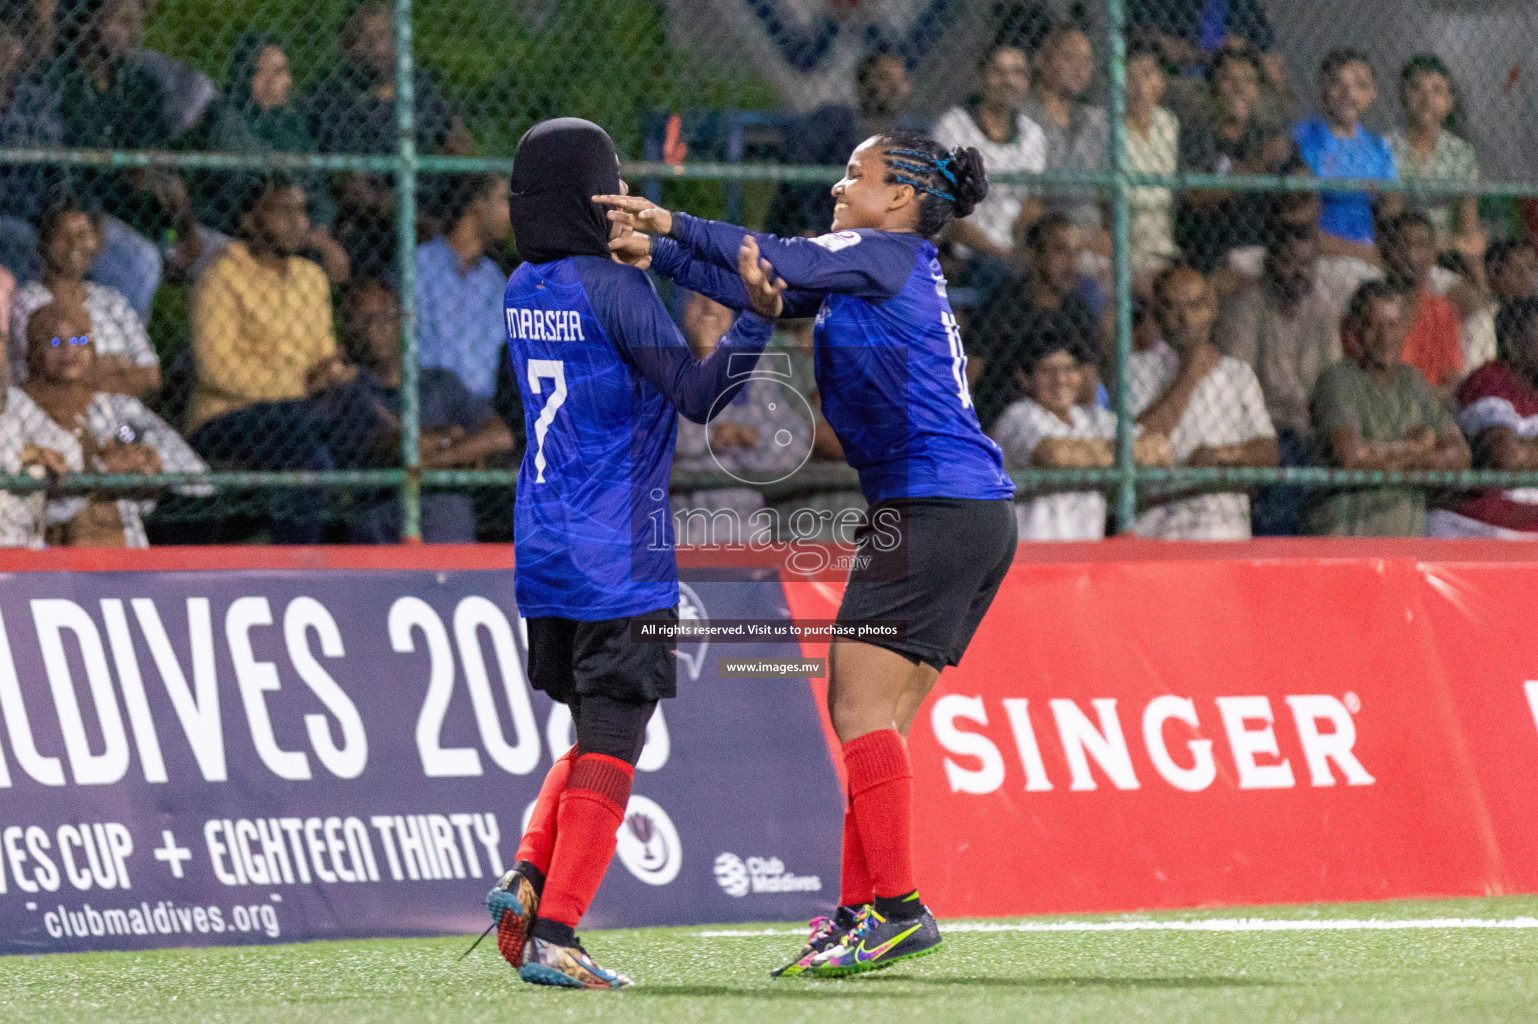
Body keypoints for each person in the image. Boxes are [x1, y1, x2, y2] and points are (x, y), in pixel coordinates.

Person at [599, 131, 1015, 978]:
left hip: (934, 507)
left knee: (859, 715)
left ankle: (896, 909)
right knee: (879, 725)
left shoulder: (878, 251)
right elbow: (761, 285)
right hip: (966, 512)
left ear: (898, 197)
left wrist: (669, 218)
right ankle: (865, 910)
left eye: (855, 173)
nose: (837, 182)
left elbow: (777, 256)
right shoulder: (875, 269)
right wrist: (663, 251)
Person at [482, 119, 781, 990]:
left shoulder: (521, 284)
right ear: (591, 194)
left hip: (545, 547)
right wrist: (755, 323)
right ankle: (558, 930)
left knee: (590, 728)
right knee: (616, 738)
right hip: (619, 551)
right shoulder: (612, 289)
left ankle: (529, 873)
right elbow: (697, 395)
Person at [187, 173, 350, 544]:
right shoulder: (219, 276)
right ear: (249, 219)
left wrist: (335, 373)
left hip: (302, 414)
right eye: (283, 211)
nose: (299, 222)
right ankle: (297, 564)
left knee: (340, 417)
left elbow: (323, 354)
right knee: (319, 433)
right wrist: (301, 385)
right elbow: (216, 371)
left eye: (303, 211)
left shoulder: (312, 277)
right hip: (227, 417)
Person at [327, 279, 512, 543]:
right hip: (382, 516)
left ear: (402, 320)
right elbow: (399, 446)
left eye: (385, 317)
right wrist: (455, 441)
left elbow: (499, 436)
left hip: (445, 515)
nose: (376, 328)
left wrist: (429, 461)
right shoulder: (353, 389)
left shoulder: (439, 381)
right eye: (365, 320)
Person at [22, 301, 207, 547]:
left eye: (80, 340)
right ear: (34, 350)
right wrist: (99, 470)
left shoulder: (112, 406)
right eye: (55, 342)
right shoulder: (22, 407)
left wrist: (143, 460)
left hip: (122, 527)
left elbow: (177, 460)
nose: (69, 350)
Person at [1309, 281, 1469, 536]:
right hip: (1348, 539)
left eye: (1393, 325)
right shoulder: (1337, 379)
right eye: (1373, 325)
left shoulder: (1414, 382)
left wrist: (1383, 454)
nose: (1384, 337)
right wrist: (1415, 449)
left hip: (1405, 542)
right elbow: (1349, 456)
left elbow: (1459, 455)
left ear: (1405, 329)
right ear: (1354, 329)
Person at [1131, 265, 1278, 539]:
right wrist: (1190, 376)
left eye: (1196, 306)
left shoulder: (1237, 373)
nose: (1185, 319)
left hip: (1224, 529)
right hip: (1158, 531)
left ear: (1212, 309)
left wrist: (1223, 456)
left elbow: (1268, 451)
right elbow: (1133, 445)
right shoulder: (1137, 368)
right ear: (1157, 313)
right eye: (1173, 307)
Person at [1216, 223, 1340, 535]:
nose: (1299, 273)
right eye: (1289, 262)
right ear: (1270, 264)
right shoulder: (1247, 307)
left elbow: (1332, 380)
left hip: (1310, 429)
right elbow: (1236, 383)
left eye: (1307, 264)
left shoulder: (1322, 309)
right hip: (1265, 428)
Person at [990, 331, 1171, 539]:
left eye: (1069, 368)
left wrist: (1086, 453)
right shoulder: (1018, 415)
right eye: (1047, 370)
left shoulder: (1093, 417)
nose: (1060, 379)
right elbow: (1054, 455)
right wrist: (1124, 453)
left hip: (1084, 551)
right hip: (1032, 549)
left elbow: (1159, 447)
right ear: (1025, 378)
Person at [195, 34, 341, 264]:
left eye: (280, 71)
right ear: (244, 77)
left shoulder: (293, 126)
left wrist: (317, 230)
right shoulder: (226, 115)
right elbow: (245, 182)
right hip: (231, 229)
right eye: (262, 71)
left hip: (296, 229)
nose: (273, 80)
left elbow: (318, 190)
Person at [9, 198, 158, 397]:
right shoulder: (27, 301)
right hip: (53, 419)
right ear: (43, 241)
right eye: (62, 235)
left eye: (82, 235)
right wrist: (117, 367)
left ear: (97, 242)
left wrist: (81, 374)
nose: (73, 245)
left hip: (122, 422)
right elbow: (43, 380)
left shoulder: (112, 301)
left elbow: (151, 376)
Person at [767, 51, 923, 238]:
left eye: (901, 80)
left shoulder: (909, 140)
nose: (894, 87)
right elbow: (796, 169)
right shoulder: (835, 121)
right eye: (884, 78)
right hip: (823, 228)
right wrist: (806, 225)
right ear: (863, 84)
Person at [968, 213, 1102, 429]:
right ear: (1034, 255)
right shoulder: (1002, 306)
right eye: (1060, 250)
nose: (1071, 263)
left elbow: (1087, 393)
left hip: (1060, 424)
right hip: (1008, 422)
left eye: (1076, 252)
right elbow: (967, 377)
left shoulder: (1079, 312)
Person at [1176, 43, 1291, 275]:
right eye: (1228, 79)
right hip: (1209, 254)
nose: (1239, 88)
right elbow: (1198, 196)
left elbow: (1300, 190)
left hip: (1262, 253)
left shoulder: (1267, 134)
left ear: (1258, 90)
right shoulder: (1197, 136)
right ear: (1213, 87)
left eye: (1248, 80)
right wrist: (1259, 164)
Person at [1432, 297, 1538, 538]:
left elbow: (1516, 454)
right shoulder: (1489, 380)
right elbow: (1504, 457)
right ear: (1514, 343)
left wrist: (1526, 450)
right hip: (1479, 527)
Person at [932, 44, 1045, 265]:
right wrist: (998, 253)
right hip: (965, 252)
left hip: (1015, 251)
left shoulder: (1033, 134)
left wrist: (1019, 252)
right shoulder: (954, 127)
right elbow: (946, 210)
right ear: (982, 76)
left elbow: (1033, 204)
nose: (1008, 82)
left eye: (1017, 73)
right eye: (999, 72)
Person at [1291, 50, 1398, 271]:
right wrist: (1362, 253)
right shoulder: (1304, 137)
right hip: (1317, 255)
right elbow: (1298, 218)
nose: (1349, 93)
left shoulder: (1377, 146)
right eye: (1337, 83)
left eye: (1360, 85)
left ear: (1372, 94)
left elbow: (1392, 205)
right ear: (1323, 89)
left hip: (1369, 251)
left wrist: (1383, 249)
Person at [415, 174, 510, 400]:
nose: (511, 212)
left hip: (478, 410)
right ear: (478, 206)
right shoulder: (421, 264)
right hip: (426, 401)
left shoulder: (495, 280)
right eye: (503, 200)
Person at [1023, 25, 1109, 256]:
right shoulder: (1023, 121)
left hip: (1096, 240)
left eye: (1086, 61)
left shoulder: (1096, 122)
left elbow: (1108, 199)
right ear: (1041, 60)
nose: (1080, 69)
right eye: (1069, 57)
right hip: (1047, 242)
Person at [1385, 54, 1480, 257]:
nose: (1427, 99)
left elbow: (1468, 226)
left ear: (1448, 102)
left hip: (1448, 257)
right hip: (1401, 254)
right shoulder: (1386, 147)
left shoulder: (1461, 152)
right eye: (1417, 88)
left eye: (1437, 90)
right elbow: (1390, 220)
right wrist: (1457, 243)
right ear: (1404, 97)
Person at [0, 336, 81, 548]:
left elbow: (70, 449)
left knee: (40, 471)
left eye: (2, 359)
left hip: (26, 548)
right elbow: (8, 460)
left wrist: (43, 455)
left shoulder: (14, 400)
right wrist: (26, 454)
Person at [1379, 211, 1464, 393]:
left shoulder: (1442, 311)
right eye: (1401, 245)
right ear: (1385, 251)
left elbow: (1452, 379)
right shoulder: (1371, 308)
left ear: (1433, 253)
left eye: (1420, 245)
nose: (1411, 255)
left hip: (1433, 408)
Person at [1123, 42, 1180, 281]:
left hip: (1165, 244)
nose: (1138, 85)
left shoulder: (1168, 123)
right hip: (1128, 246)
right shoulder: (1107, 128)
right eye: (1130, 75)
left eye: (1146, 74)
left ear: (1161, 82)